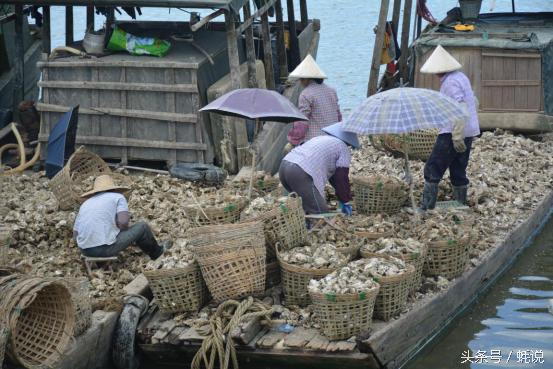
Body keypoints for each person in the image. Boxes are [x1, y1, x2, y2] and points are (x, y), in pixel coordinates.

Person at [419, 45, 481, 210]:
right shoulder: (460, 76)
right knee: (458, 166)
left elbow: (460, 106)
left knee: (433, 166)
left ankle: (426, 206)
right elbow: (473, 101)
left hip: (454, 130)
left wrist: (456, 135)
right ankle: (460, 203)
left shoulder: (450, 82)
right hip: (469, 129)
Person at [73, 174, 171, 259]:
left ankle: (100, 261)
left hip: (84, 251)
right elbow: (123, 222)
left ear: (95, 191)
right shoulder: (118, 197)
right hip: (104, 250)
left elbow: (75, 236)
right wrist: (124, 231)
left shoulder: (85, 204)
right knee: (142, 227)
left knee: (108, 235)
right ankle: (157, 253)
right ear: (114, 189)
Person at [279, 122, 359, 216]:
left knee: (301, 206)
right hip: (299, 171)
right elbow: (341, 177)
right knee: (320, 212)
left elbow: (334, 177)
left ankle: (303, 227)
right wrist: (345, 200)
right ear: (348, 141)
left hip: (284, 166)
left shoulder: (320, 138)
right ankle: (311, 227)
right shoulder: (343, 147)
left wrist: (342, 196)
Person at [286, 54, 342, 147]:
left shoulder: (306, 94)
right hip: (334, 139)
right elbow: (339, 117)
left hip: (315, 142)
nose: (300, 81)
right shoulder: (332, 91)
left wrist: (292, 140)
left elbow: (302, 123)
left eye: (301, 79)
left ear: (306, 78)